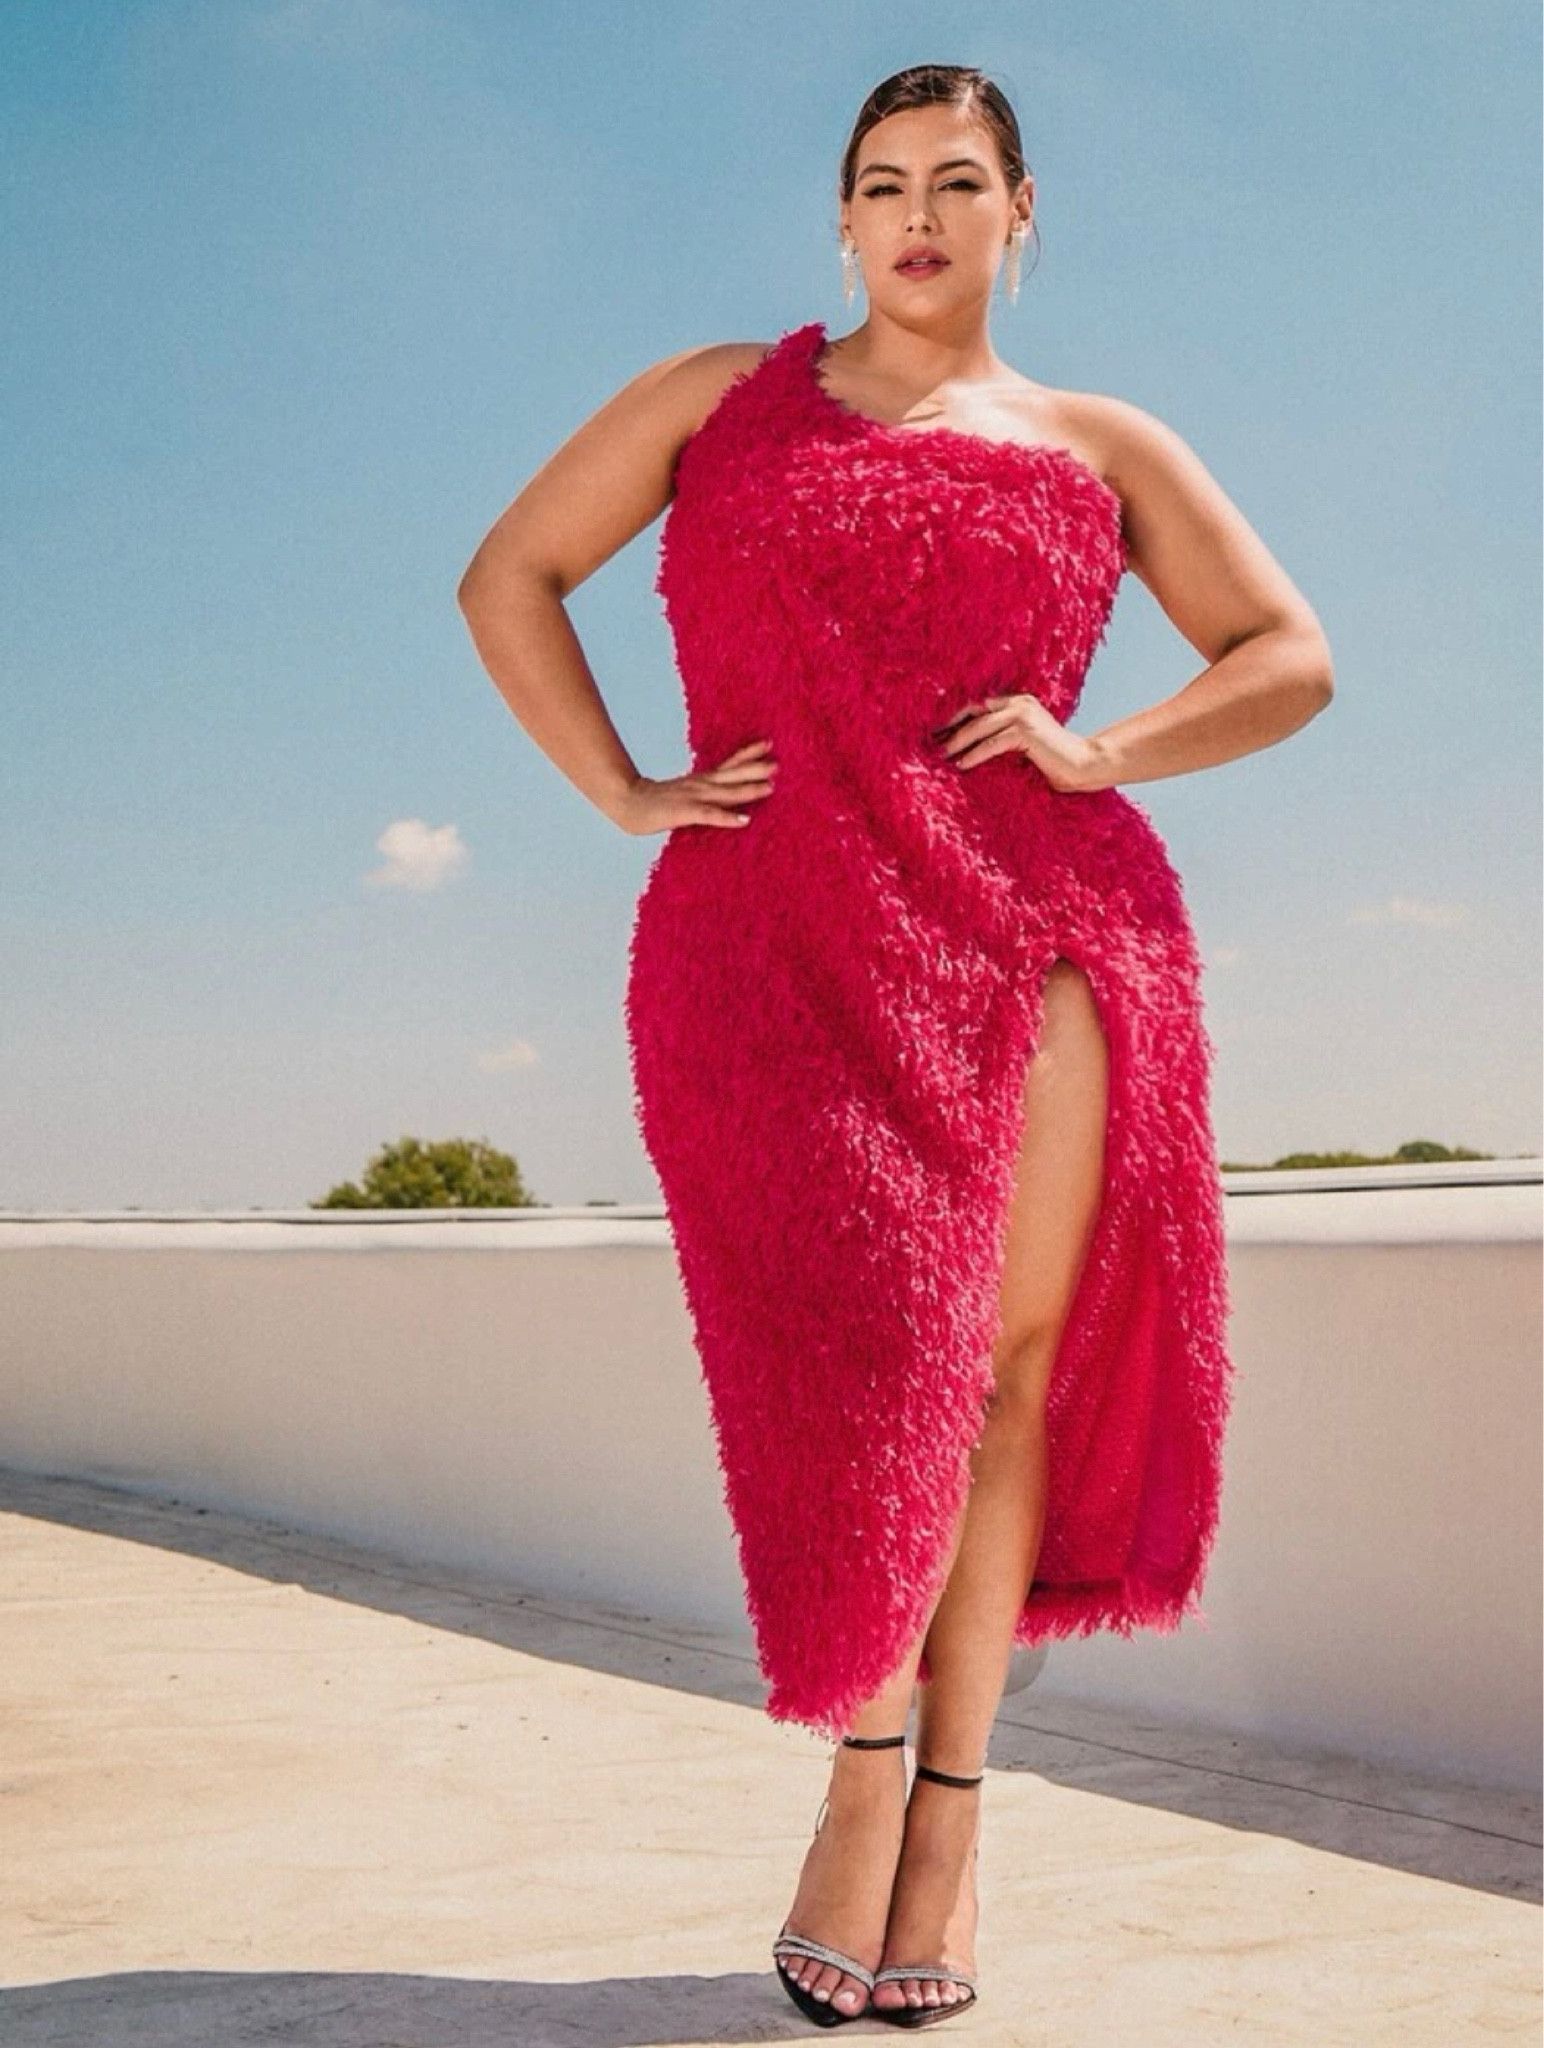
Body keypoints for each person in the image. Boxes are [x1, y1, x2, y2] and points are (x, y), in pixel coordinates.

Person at [458, 60, 1332, 2037]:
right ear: (841, 222)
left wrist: (1103, 749)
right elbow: (508, 575)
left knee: (997, 1379)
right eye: (880, 184)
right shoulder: (714, 400)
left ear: (1023, 214)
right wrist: (621, 788)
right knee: (862, 1376)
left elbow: (1289, 652)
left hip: (1038, 936)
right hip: (769, 951)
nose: (917, 216)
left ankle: (938, 1818)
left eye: (957, 181)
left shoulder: (1097, 441)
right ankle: (867, 1766)